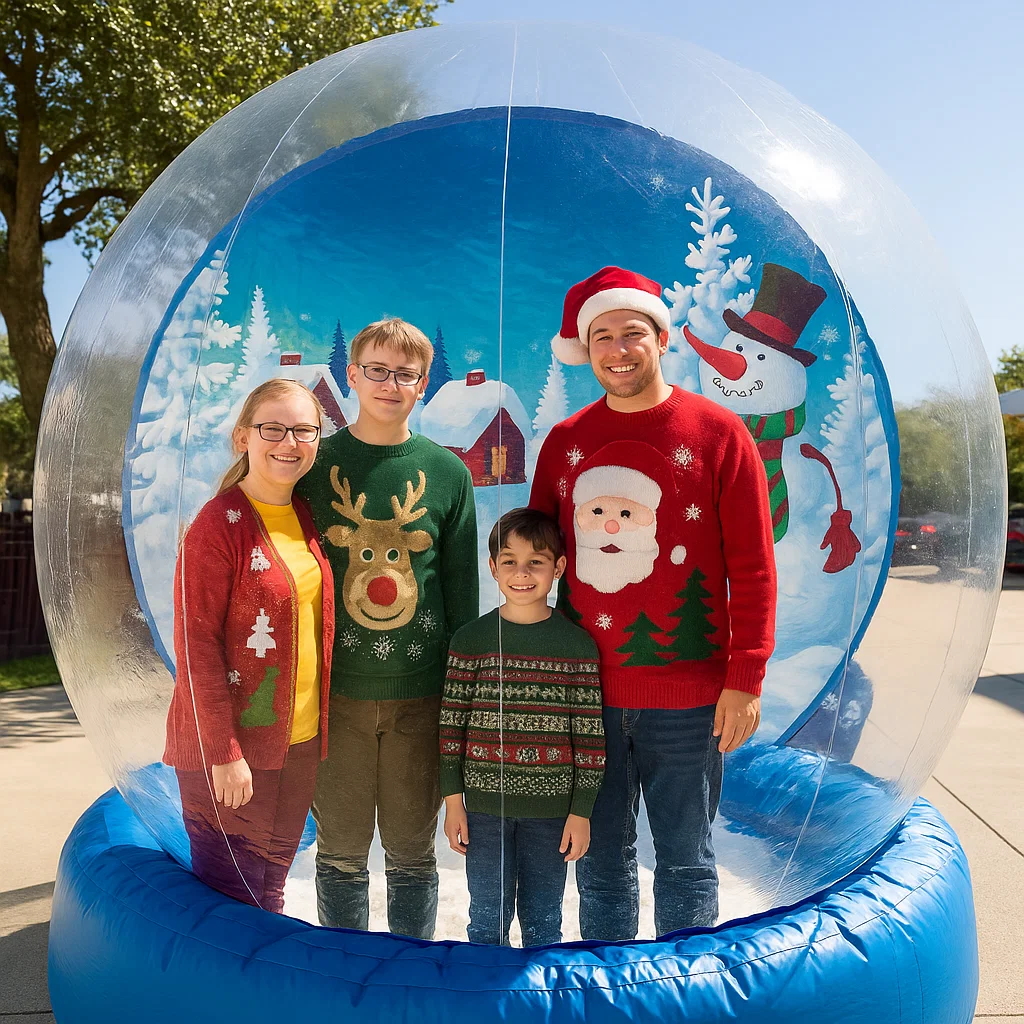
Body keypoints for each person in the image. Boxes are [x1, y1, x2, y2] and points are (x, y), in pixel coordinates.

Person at [531, 265, 777, 938]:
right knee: (600, 861)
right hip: (589, 700)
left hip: (693, 701)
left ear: (661, 337)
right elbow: (535, 568)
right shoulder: (565, 444)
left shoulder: (720, 434)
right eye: (602, 336)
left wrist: (744, 679)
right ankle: (611, 994)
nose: (617, 349)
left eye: (632, 332)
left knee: (687, 862)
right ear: (587, 349)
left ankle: (686, 998)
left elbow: (753, 567)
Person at [297, 317, 479, 939]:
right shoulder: (313, 467)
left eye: (405, 374)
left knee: (410, 855)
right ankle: (342, 986)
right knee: (341, 855)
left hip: (419, 700)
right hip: (335, 698)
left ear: (424, 383)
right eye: (375, 370)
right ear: (352, 375)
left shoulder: (448, 475)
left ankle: (411, 979)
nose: (389, 384)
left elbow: (460, 599)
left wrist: (462, 703)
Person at [164, 378, 335, 913]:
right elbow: (196, 650)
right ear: (243, 437)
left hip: (297, 741)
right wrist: (222, 754)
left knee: (271, 892)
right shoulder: (216, 526)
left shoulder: (303, 515)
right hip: (231, 751)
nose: (289, 441)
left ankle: (258, 1001)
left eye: (303, 430)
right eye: (273, 428)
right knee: (233, 904)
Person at [440, 507, 605, 945]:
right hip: (482, 812)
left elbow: (590, 738)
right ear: (492, 567)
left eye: (537, 561)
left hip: (552, 813)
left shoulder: (576, 645)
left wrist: (581, 811)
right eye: (509, 560)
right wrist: (453, 802)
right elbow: (451, 727)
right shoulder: (471, 641)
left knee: (544, 921)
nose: (522, 572)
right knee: (487, 920)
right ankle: (486, 1004)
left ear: (559, 567)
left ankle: (538, 1005)